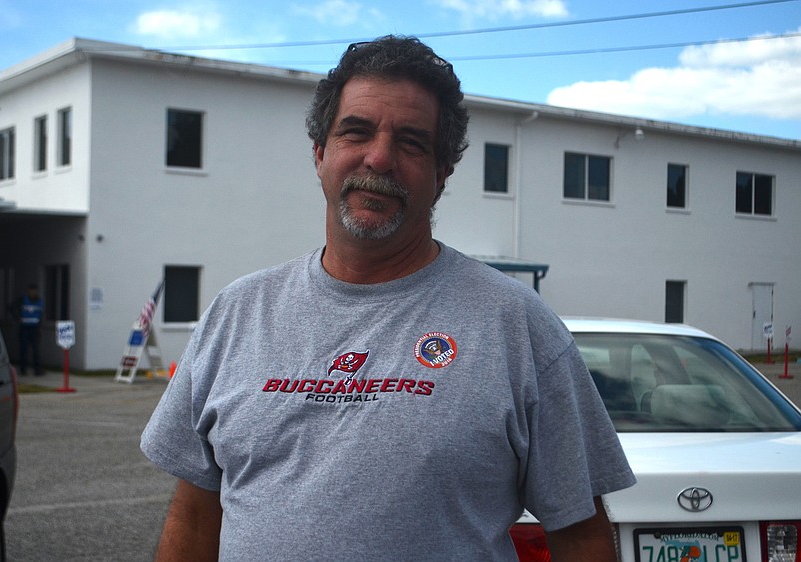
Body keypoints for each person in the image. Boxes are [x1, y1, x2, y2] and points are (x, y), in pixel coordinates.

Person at [141, 36, 635, 561]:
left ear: (442, 175)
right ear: (319, 155)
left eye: (411, 143)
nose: (379, 158)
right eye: (356, 131)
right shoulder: (236, 313)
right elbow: (196, 515)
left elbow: (579, 533)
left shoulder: (516, 325)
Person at [17, 283, 44, 376]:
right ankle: (23, 369)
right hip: (24, 327)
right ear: (28, 291)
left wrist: (40, 326)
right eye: (31, 290)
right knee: (24, 349)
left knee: (36, 350)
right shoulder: (22, 300)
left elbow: (41, 314)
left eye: (34, 290)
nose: (33, 292)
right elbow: (13, 308)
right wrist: (17, 318)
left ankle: (38, 370)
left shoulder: (39, 301)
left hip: (35, 328)